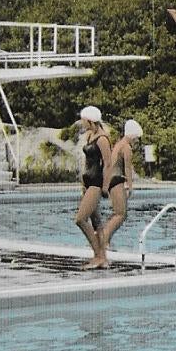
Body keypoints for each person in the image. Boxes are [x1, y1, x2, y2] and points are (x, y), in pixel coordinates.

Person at [75, 106, 112, 269]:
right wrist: (83, 181)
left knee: (80, 219)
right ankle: (103, 257)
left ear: (90, 120)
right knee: (96, 222)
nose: (82, 123)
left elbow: (108, 163)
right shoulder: (90, 135)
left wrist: (105, 186)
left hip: (97, 183)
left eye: (83, 120)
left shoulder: (103, 139)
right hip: (89, 182)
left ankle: (97, 255)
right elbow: (88, 161)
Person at [101, 119, 142, 254]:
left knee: (118, 214)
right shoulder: (126, 147)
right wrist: (130, 187)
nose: (137, 142)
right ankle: (103, 240)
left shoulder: (118, 144)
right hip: (117, 180)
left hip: (111, 180)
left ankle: (105, 240)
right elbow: (128, 169)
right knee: (120, 214)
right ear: (133, 135)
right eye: (137, 138)